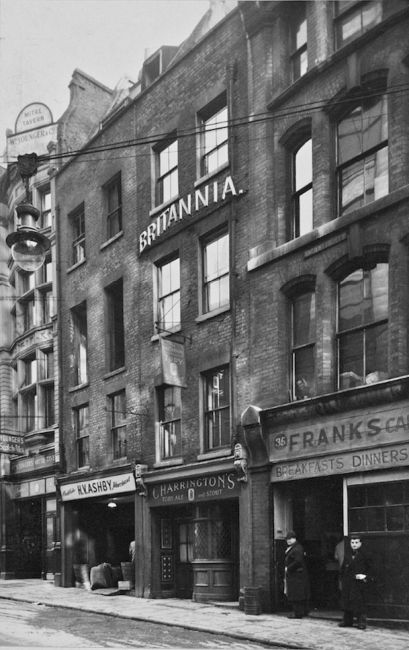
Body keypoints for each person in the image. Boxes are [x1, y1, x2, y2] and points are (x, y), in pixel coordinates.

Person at [338, 534, 372, 630]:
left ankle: (361, 622)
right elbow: (343, 567)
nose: (354, 544)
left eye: (356, 542)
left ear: (360, 543)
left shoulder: (366, 554)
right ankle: (347, 621)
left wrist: (365, 576)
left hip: (359, 582)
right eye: (352, 542)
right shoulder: (348, 554)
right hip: (348, 581)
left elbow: (371, 568)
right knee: (347, 600)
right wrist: (342, 577)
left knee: (359, 603)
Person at [284, 531, 310, 618]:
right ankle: (300, 612)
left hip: (296, 575)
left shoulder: (297, 548)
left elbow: (298, 561)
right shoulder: (294, 547)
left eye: (290, 539)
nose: (288, 540)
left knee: (296, 595)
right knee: (297, 594)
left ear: (294, 539)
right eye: (287, 539)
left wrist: (289, 568)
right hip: (295, 575)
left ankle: (298, 613)